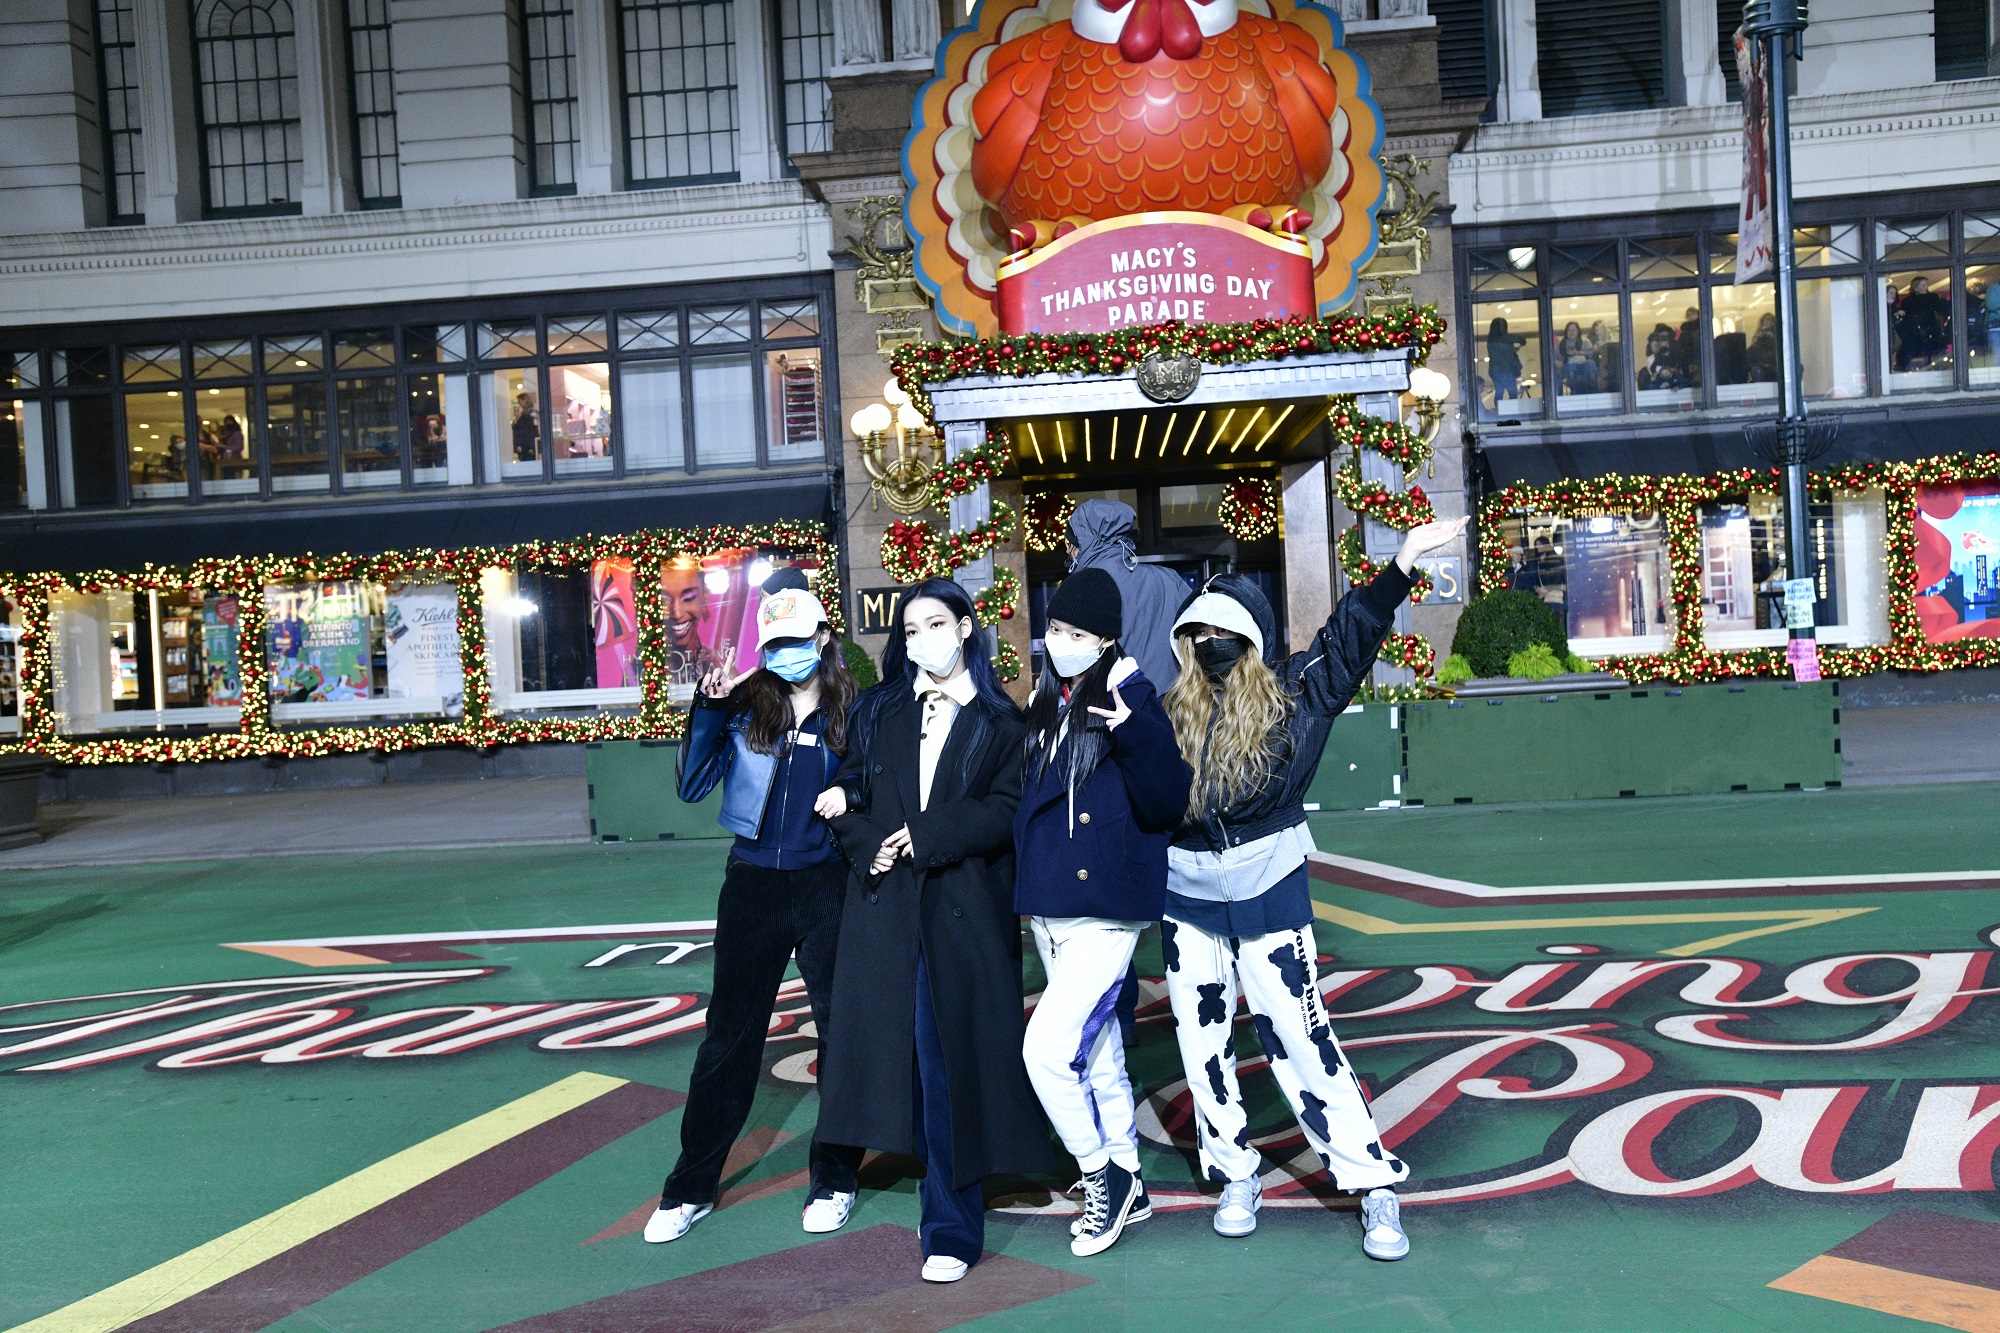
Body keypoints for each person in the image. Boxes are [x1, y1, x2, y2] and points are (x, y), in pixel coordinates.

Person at [1159, 514, 1467, 1260]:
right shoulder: (1171, 708)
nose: (1210, 646)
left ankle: (1371, 1181)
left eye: (1224, 632)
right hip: (1185, 896)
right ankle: (1235, 1172)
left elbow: (1353, 631)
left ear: (1255, 636)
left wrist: (1401, 565)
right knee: (1200, 1043)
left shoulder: (1299, 691)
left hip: (1267, 885)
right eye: (1198, 634)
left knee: (1300, 1033)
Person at [816, 578, 1052, 1284]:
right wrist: (868, 843)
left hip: (960, 917)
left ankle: (950, 1225)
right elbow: (850, 791)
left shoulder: (1004, 724)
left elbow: (1005, 809)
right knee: (885, 1059)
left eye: (935, 623)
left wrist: (922, 834)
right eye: (911, 628)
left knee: (951, 1067)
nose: (922, 638)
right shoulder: (878, 710)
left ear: (968, 628)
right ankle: (835, 1178)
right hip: (885, 911)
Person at [643, 586, 865, 1244]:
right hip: (752, 886)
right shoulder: (745, 708)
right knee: (729, 1041)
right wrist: (708, 707)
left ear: (824, 638)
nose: (786, 656)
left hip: (829, 884)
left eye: (798, 643)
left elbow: (877, 787)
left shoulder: (854, 710)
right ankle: (689, 1187)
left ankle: (835, 1177)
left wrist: (847, 792)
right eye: (774, 646)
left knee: (842, 1035)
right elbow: (690, 785)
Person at [1013, 568, 1191, 1258]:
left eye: (1076, 633)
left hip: (1103, 913)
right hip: (1053, 913)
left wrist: (1133, 731)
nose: (1060, 641)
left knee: (1047, 1051)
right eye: (1055, 628)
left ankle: (1102, 1173)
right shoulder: (1049, 698)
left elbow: (1168, 797)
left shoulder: (1129, 694)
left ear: (1107, 639)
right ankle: (1132, 1177)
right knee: (1100, 1054)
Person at [1065, 498, 1189, 689]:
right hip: (1172, 701)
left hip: (1111, 705)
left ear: (1082, 543)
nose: (1067, 549)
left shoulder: (1084, 588)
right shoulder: (1168, 578)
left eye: (1070, 542)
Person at [1485, 317, 1525, 402]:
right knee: (1513, 393)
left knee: (1499, 393)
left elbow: (1499, 353)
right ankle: (1512, 411)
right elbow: (1522, 340)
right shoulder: (1507, 338)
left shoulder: (1490, 341)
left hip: (1495, 371)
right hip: (1508, 370)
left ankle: (1498, 411)